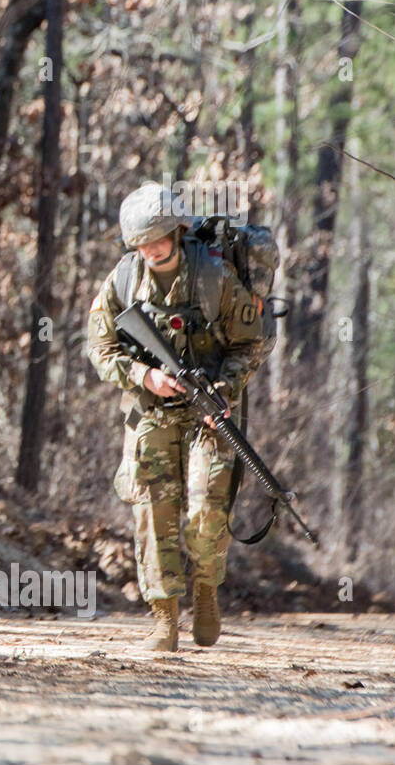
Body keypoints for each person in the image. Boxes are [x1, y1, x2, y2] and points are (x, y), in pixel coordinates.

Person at [86, 183, 269, 651]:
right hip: (152, 413)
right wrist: (144, 376)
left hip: (210, 413)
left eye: (158, 238)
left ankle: (206, 590)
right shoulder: (124, 280)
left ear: (176, 231)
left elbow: (249, 344)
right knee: (153, 515)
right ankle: (164, 616)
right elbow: (100, 346)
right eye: (141, 242)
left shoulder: (215, 277)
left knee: (207, 511)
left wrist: (224, 389)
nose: (151, 249)